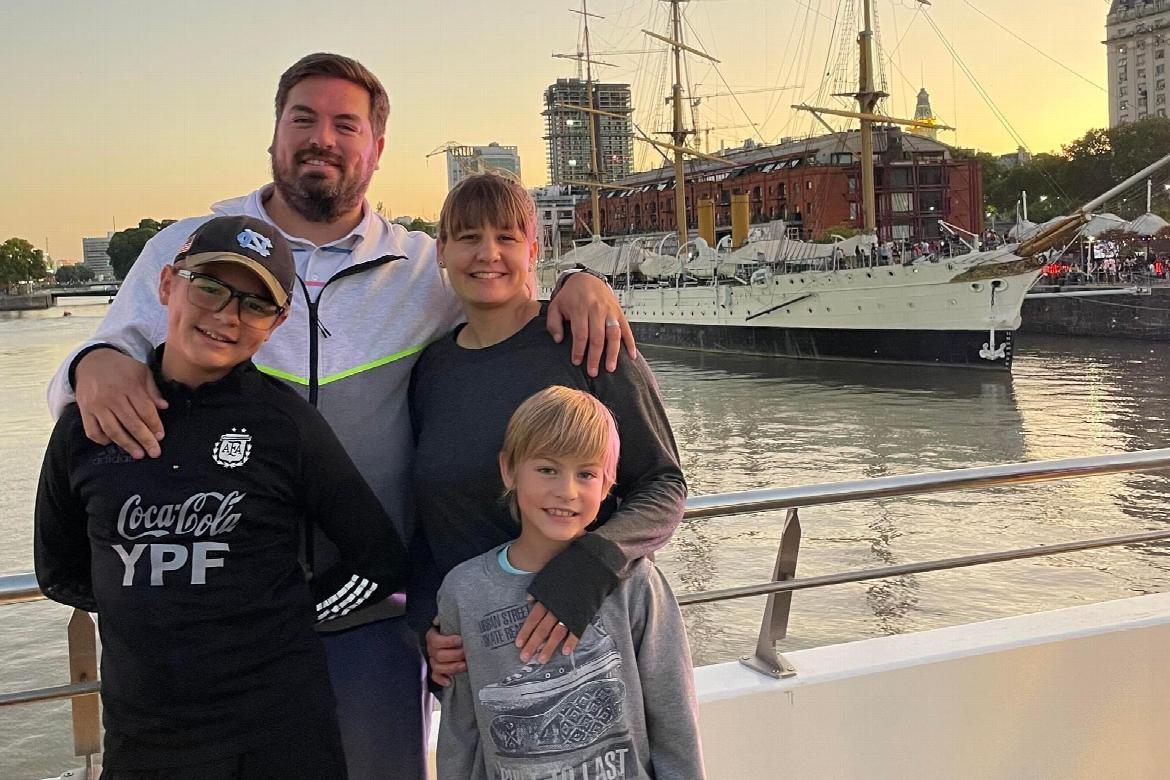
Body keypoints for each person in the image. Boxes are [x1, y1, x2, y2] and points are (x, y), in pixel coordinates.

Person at [44, 53, 633, 779]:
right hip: (221, 626)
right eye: (304, 118)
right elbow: (85, 390)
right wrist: (92, 361)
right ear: (275, 132)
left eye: (345, 125)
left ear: (376, 149)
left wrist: (579, 280)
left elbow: (502, 292)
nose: (322, 138)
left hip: (374, 615)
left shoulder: (423, 268)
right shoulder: (190, 246)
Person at [35, 216, 410, 778]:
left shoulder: (286, 425)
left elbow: (379, 560)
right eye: (209, 287)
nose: (227, 315)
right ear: (167, 284)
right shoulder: (88, 427)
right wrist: (152, 612)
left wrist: (286, 615)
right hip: (145, 740)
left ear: (278, 322)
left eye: (255, 304)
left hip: (281, 733)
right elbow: (58, 570)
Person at [408, 173, 686, 697]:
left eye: (506, 238)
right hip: (479, 657)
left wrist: (591, 567)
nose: (487, 254)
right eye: (468, 237)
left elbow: (663, 484)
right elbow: (428, 518)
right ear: (441, 250)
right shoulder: (431, 370)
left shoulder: (586, 342)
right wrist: (425, 620)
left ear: (533, 251)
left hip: (587, 635)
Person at [436, 386, 705, 779]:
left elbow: (673, 712)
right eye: (547, 469)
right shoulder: (462, 591)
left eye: (586, 474)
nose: (567, 491)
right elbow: (461, 731)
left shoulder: (638, 583)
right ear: (509, 470)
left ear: (608, 484)